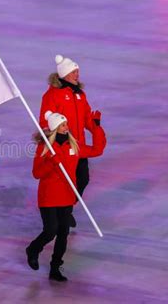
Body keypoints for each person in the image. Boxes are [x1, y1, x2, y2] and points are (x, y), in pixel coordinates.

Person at [26, 110, 106, 281]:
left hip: (67, 196)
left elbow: (97, 150)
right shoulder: (45, 147)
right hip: (48, 197)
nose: (66, 127)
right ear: (55, 128)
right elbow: (36, 173)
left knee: (63, 233)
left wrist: (96, 128)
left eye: (66, 124)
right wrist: (51, 163)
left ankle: (55, 268)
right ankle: (33, 249)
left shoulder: (74, 146)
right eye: (63, 125)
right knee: (50, 231)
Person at [39, 54, 98, 227]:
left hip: (78, 146)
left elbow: (87, 117)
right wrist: (54, 141)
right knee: (65, 181)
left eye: (77, 71)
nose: (77, 74)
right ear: (64, 75)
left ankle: (67, 209)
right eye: (74, 71)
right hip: (63, 146)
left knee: (83, 179)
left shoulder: (80, 94)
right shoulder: (52, 95)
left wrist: (96, 128)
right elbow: (45, 121)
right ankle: (63, 212)